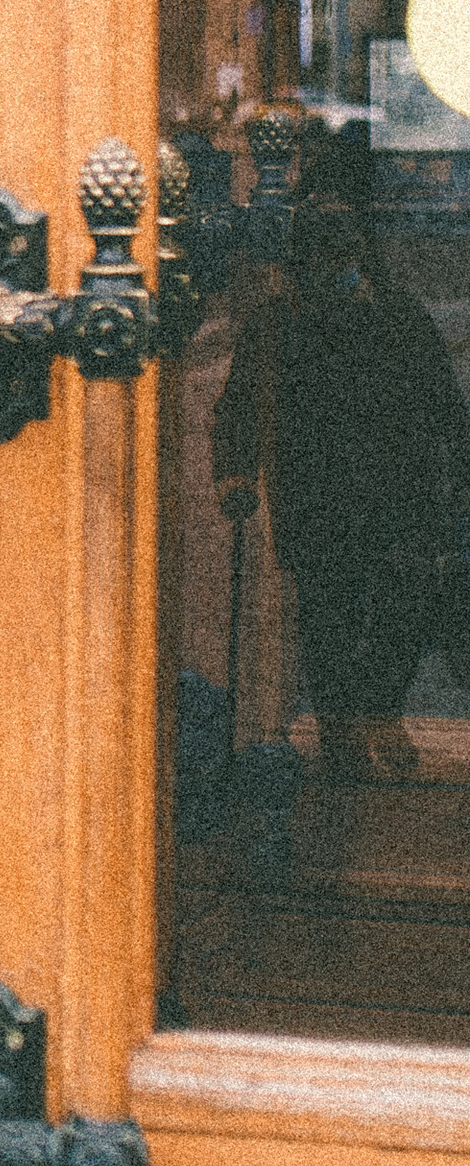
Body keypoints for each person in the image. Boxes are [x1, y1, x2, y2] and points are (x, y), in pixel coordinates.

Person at [212, 173, 470, 784]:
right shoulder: (276, 324)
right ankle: (339, 729)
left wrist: (459, 474)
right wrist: (234, 474)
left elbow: (443, 404)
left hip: (399, 491)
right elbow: (238, 407)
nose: (336, 269)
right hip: (314, 491)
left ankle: (377, 710)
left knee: (406, 603)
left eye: (343, 254)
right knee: (329, 614)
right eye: (322, 258)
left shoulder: (399, 316)